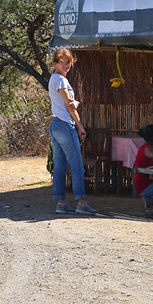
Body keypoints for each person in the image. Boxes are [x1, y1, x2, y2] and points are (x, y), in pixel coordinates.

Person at [48, 48, 97, 215]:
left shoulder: (53, 79)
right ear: (55, 63)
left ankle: (61, 203)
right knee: (77, 166)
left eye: (68, 62)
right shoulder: (61, 80)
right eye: (62, 62)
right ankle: (82, 202)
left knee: (60, 166)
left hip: (55, 125)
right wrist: (80, 125)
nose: (66, 65)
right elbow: (69, 105)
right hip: (65, 125)